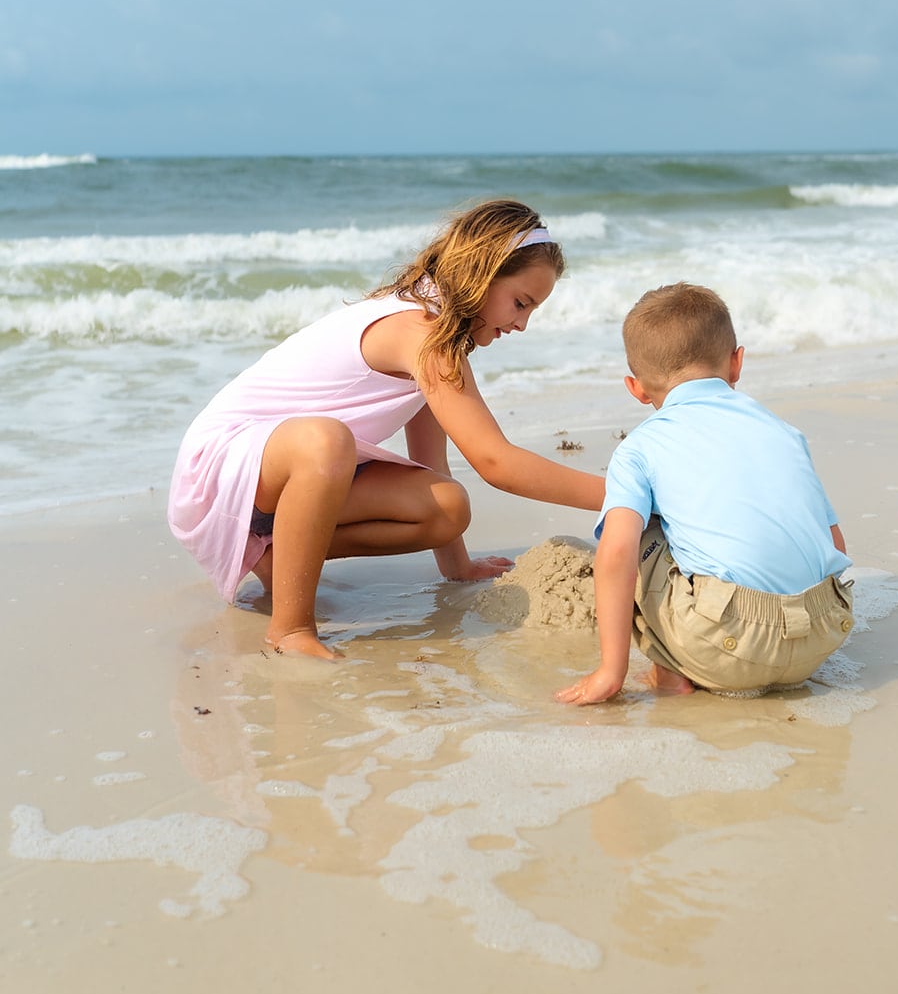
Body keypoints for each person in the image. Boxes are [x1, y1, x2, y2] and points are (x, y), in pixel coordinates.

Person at [168, 199, 605, 661]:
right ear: (481, 270)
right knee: (327, 440)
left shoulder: (437, 333)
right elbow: (495, 461)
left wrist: (457, 567)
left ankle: (277, 562)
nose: (521, 324)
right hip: (222, 473)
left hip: (290, 482)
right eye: (521, 303)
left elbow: (430, 462)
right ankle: (290, 628)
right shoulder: (417, 331)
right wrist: (624, 494)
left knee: (447, 506)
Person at [556, 282, 853, 706]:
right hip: (822, 633)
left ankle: (670, 670)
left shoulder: (640, 447)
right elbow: (834, 544)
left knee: (639, 523)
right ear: (737, 363)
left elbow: (617, 554)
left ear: (636, 388)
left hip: (723, 645)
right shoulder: (785, 433)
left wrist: (611, 671)